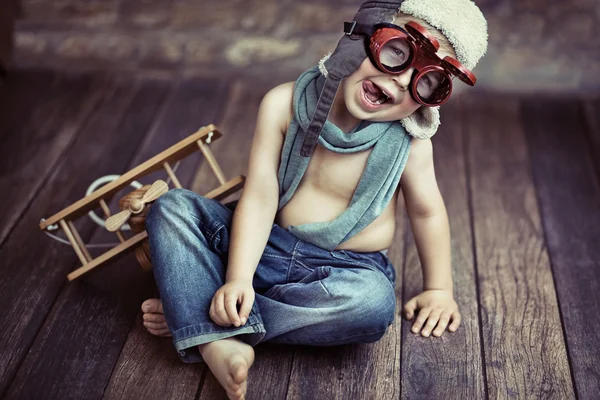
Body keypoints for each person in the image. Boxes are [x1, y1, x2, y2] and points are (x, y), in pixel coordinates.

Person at [140, 0, 488, 398]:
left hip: (341, 270)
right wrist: (237, 276)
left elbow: (427, 213)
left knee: (372, 304)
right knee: (172, 208)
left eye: (424, 81)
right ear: (362, 38)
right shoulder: (284, 104)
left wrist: (439, 289)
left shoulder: (410, 144)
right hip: (261, 243)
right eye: (396, 53)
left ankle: (205, 320)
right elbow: (260, 192)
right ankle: (218, 309)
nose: (398, 83)